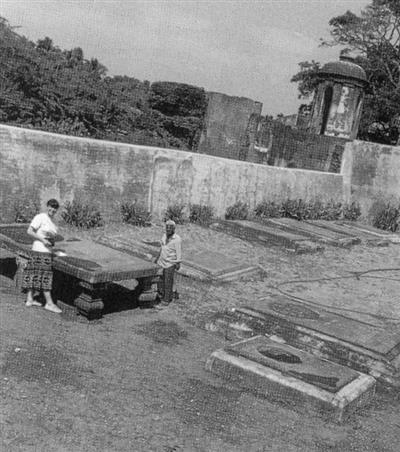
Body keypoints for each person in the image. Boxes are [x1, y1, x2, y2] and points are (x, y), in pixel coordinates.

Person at [22, 198, 62, 314]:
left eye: (55, 208)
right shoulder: (40, 217)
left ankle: (30, 299)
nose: (52, 209)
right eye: (51, 207)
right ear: (47, 206)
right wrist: (43, 240)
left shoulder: (53, 221)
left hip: (47, 251)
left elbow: (52, 236)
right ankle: (49, 303)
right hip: (39, 249)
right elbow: (29, 231)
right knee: (45, 276)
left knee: (34, 273)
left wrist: (51, 244)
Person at [155, 219, 182, 309]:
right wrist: (156, 258)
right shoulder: (164, 236)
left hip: (170, 263)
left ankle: (166, 300)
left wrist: (178, 263)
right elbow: (162, 248)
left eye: (170, 228)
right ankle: (161, 295)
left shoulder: (177, 239)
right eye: (167, 228)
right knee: (160, 280)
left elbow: (178, 253)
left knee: (168, 281)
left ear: (174, 229)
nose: (168, 230)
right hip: (161, 262)